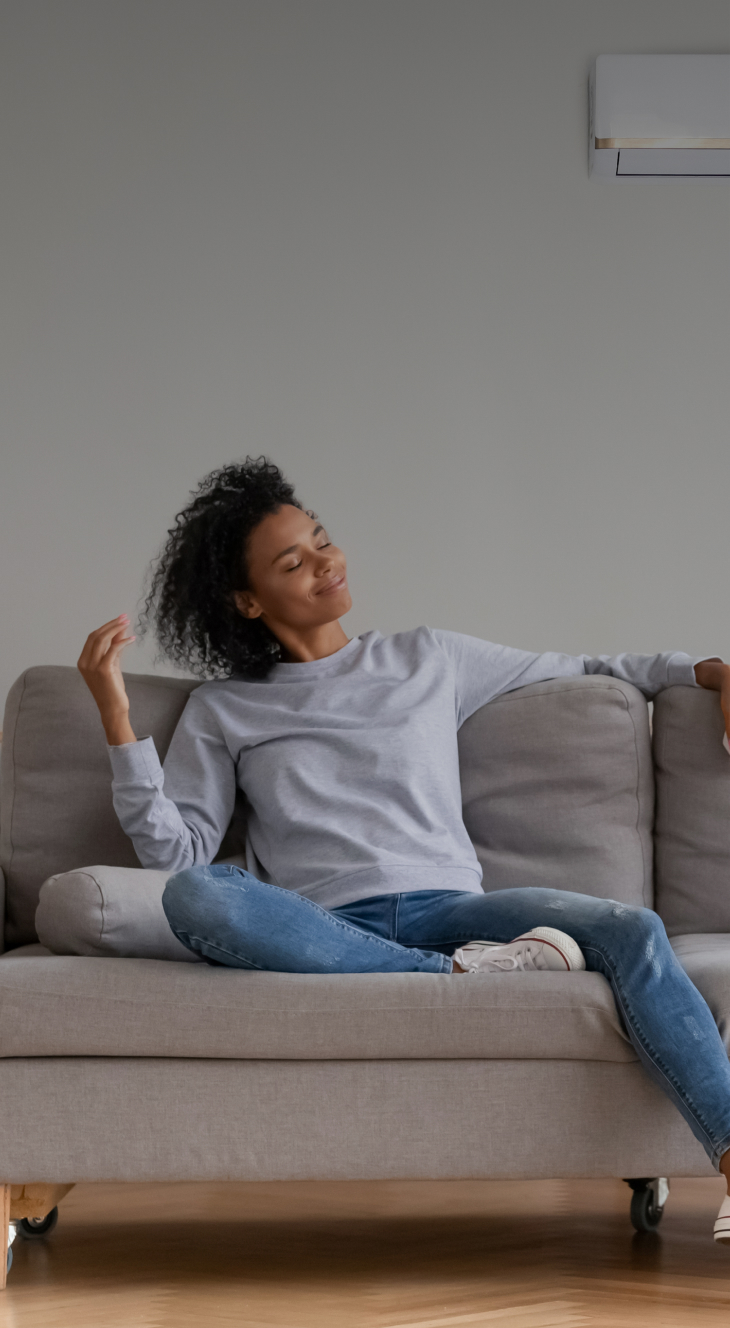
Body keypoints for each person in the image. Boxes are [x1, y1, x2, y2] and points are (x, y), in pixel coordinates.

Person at [77, 457, 730, 1243]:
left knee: (633, 929)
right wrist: (117, 718)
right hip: (322, 930)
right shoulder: (224, 709)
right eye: (293, 561)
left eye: (321, 541)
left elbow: (591, 667)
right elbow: (176, 856)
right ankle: (464, 975)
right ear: (247, 601)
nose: (325, 563)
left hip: (454, 909)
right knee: (196, 896)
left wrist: (710, 670)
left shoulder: (428, 658)